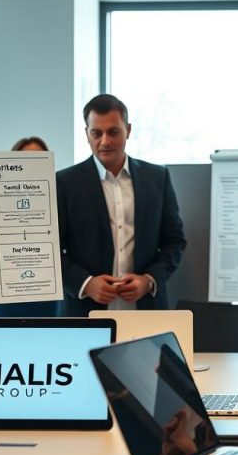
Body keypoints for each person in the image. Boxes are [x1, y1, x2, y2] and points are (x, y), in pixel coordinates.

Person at [56, 94, 186, 316]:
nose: (105, 141)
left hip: (146, 310)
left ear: (128, 130)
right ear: (86, 134)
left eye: (113, 132)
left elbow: (174, 242)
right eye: (96, 133)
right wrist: (86, 284)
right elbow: (52, 251)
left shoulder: (158, 177)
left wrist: (149, 280)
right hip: (85, 312)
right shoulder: (65, 182)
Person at [0, 135, 60, 318]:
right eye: (26, 160)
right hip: (4, 294)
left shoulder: (59, 200)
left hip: (46, 294)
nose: (32, 166)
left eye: (39, 160)